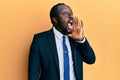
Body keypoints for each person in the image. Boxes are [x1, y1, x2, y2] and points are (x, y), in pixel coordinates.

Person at [28, 3, 96, 80]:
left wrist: (81, 40)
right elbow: (33, 74)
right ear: (55, 19)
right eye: (65, 13)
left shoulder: (76, 38)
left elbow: (91, 60)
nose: (70, 16)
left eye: (71, 13)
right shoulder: (40, 40)